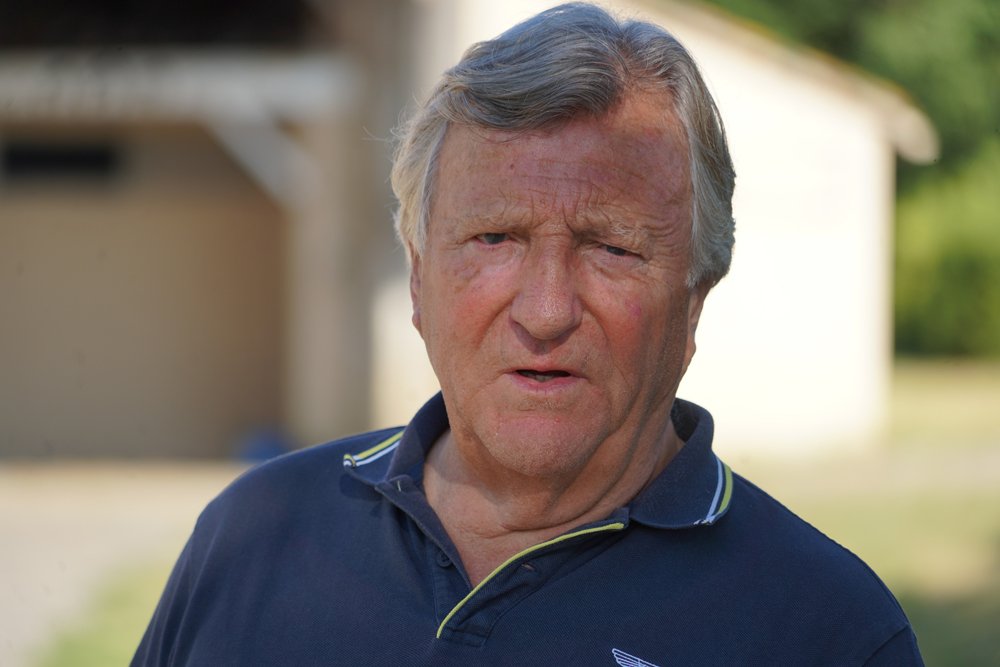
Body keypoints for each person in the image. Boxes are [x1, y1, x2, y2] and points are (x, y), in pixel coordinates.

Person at [133, 3, 923, 665]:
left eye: (611, 248)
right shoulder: (253, 533)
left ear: (695, 299)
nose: (546, 311)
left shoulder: (829, 630)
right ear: (418, 278)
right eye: (495, 238)